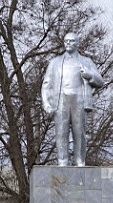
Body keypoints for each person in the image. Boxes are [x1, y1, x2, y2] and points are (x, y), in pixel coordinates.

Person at [41, 32, 104, 167]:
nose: (68, 43)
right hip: (61, 99)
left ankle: (80, 161)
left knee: (79, 132)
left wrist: (89, 75)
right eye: (66, 41)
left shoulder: (86, 61)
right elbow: (46, 84)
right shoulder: (55, 62)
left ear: (77, 43)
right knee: (61, 132)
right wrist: (46, 103)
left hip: (79, 100)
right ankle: (62, 162)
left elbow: (100, 81)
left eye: (71, 41)